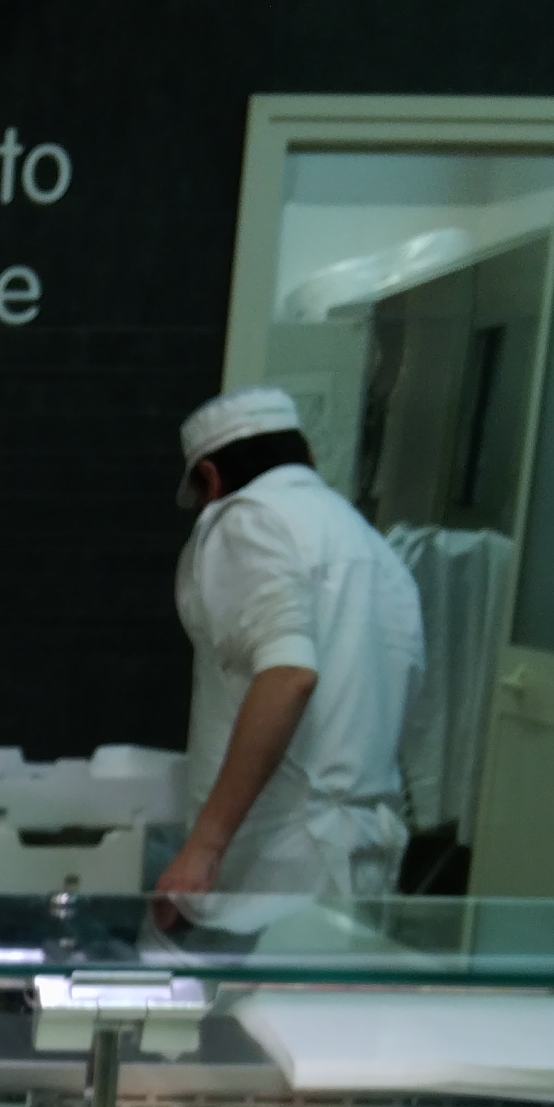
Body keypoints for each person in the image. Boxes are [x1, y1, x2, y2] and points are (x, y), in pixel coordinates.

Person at [155, 387, 426, 920]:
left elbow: (288, 676)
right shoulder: (370, 544)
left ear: (210, 478)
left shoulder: (245, 522)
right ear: (309, 457)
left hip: (276, 860)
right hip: (362, 852)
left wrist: (203, 847)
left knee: (230, 980)